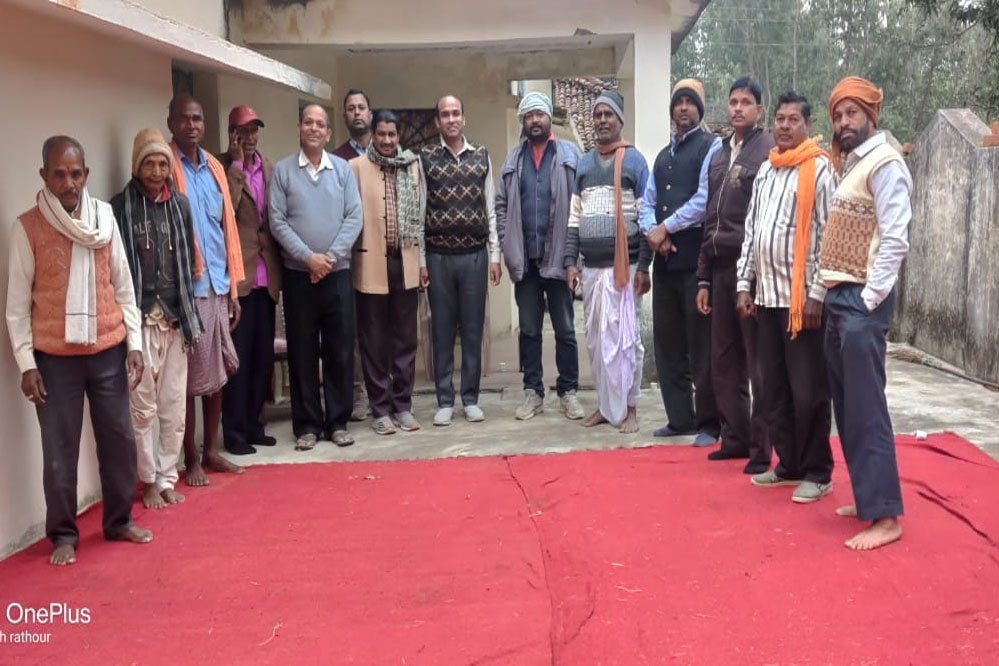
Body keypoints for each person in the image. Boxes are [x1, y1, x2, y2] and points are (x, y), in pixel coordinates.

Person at [6, 135, 153, 565]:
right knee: (60, 450)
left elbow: (124, 286)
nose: (68, 182)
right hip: (54, 361)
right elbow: (17, 306)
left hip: (108, 350)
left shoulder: (104, 219)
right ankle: (64, 535)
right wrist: (26, 364)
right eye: (59, 174)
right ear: (44, 176)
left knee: (119, 440)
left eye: (75, 173)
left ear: (86, 174)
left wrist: (134, 344)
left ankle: (119, 521)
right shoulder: (28, 227)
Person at [821, 76, 911, 550]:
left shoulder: (886, 163)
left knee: (866, 408)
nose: (843, 122)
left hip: (860, 302)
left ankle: (886, 517)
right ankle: (867, 498)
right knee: (846, 406)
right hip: (839, 297)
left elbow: (895, 238)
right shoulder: (850, 165)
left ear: (871, 116)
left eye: (852, 113)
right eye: (838, 115)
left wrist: (869, 299)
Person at [735, 91, 835, 504]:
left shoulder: (820, 170)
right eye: (780, 119)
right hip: (767, 298)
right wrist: (744, 284)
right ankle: (789, 463)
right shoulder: (767, 170)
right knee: (773, 388)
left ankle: (818, 471)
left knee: (808, 391)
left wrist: (817, 295)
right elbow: (752, 231)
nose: (785, 126)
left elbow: (828, 237)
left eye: (794, 120)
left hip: (802, 305)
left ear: (808, 126)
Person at [111, 128, 203, 509]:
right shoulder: (120, 206)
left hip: (176, 319)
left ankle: (167, 477)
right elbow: (116, 268)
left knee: (173, 404)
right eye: (148, 163)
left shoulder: (180, 205)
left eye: (163, 164)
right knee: (142, 406)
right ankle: (147, 481)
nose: (156, 171)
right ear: (136, 166)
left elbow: (188, 261)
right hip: (140, 322)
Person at [269, 104, 363, 450]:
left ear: (328, 133)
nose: (313, 128)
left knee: (339, 350)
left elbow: (354, 217)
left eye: (320, 124)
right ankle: (307, 425)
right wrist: (309, 258)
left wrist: (329, 258)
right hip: (299, 277)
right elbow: (277, 221)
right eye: (308, 122)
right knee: (302, 351)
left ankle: (337, 422)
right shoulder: (283, 171)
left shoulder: (342, 170)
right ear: (299, 128)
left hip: (337, 276)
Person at [695, 77, 775, 474]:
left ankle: (762, 449)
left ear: (759, 110)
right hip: (720, 267)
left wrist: (753, 274)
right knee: (723, 359)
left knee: (757, 362)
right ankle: (735, 438)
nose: (738, 108)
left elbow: (766, 218)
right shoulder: (719, 154)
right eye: (733, 101)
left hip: (753, 271)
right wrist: (703, 278)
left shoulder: (768, 151)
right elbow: (710, 216)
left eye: (746, 102)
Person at [167, 95, 246, 486]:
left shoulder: (215, 167)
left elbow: (226, 227)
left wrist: (233, 290)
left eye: (197, 118)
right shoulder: (165, 166)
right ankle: (191, 457)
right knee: (188, 379)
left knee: (216, 374)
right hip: (188, 287)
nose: (191, 124)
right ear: (171, 123)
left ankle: (212, 450)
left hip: (217, 283)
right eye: (183, 118)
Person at [640, 78, 722, 447]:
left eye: (690, 102)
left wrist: (666, 228)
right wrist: (653, 232)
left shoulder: (711, 147)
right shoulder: (662, 156)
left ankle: (709, 423)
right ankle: (679, 418)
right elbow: (647, 202)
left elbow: (705, 200)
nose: (683, 108)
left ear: (699, 110)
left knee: (701, 344)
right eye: (678, 102)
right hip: (665, 263)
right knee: (668, 343)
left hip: (696, 262)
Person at [564, 91, 652, 434]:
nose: (602, 120)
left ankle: (629, 408)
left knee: (627, 342)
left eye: (608, 114)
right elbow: (574, 218)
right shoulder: (584, 164)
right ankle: (605, 406)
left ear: (620, 120)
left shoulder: (635, 162)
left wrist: (644, 266)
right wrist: (571, 261)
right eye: (597, 114)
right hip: (591, 269)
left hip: (625, 270)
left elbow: (646, 218)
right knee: (597, 342)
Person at [496, 91, 585, 421]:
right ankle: (533, 392)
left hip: (560, 258)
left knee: (565, 329)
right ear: (523, 121)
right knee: (530, 330)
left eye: (539, 114)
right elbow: (501, 204)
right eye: (528, 115)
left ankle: (568, 392)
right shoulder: (513, 160)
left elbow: (581, 203)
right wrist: (507, 242)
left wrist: (576, 256)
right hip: (526, 262)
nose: (534, 120)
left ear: (549, 118)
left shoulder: (570, 155)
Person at [420, 95, 502, 426]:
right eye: (445, 114)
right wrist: (422, 260)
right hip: (438, 257)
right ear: (437, 121)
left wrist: (494, 255)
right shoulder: (425, 158)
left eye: (456, 113)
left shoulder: (481, 156)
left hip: (474, 257)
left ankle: (470, 398)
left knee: (472, 329)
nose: (451, 119)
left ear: (464, 118)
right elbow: (420, 210)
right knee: (441, 330)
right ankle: (444, 399)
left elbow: (490, 208)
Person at [350, 109, 426, 435]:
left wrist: (422, 263)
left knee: (405, 339)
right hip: (371, 264)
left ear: (399, 136)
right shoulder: (356, 168)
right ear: (373, 134)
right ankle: (380, 408)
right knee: (374, 340)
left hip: (405, 262)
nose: (386, 140)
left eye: (391, 134)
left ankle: (403, 406)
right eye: (380, 134)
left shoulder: (412, 166)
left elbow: (421, 216)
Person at [218, 105, 281, 456]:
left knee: (261, 357)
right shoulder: (222, 167)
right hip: (239, 279)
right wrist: (237, 166)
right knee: (238, 360)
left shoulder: (269, 167)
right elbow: (223, 210)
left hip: (266, 276)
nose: (250, 137)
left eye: (254, 130)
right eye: (243, 131)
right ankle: (235, 432)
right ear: (232, 134)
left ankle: (256, 424)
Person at [332, 88, 375, 421]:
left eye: (361, 107)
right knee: (355, 329)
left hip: (383, 252)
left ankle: (385, 391)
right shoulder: (336, 159)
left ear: (370, 113)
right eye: (351, 108)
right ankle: (359, 392)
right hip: (350, 256)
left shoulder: (387, 150)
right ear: (344, 115)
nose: (357, 112)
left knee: (383, 327)